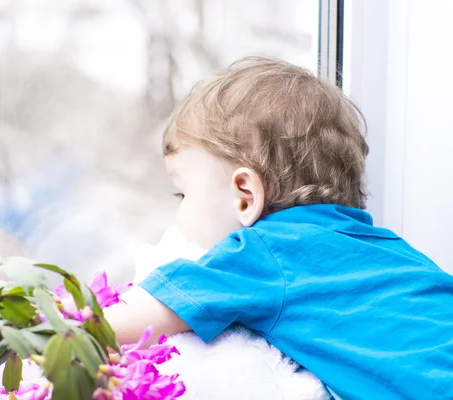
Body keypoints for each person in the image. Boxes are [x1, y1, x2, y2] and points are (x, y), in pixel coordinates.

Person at [104, 57, 453, 399]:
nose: (179, 212)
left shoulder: (262, 252)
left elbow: (131, 322)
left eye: (184, 193)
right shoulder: (392, 250)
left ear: (245, 196)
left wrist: (61, 328)